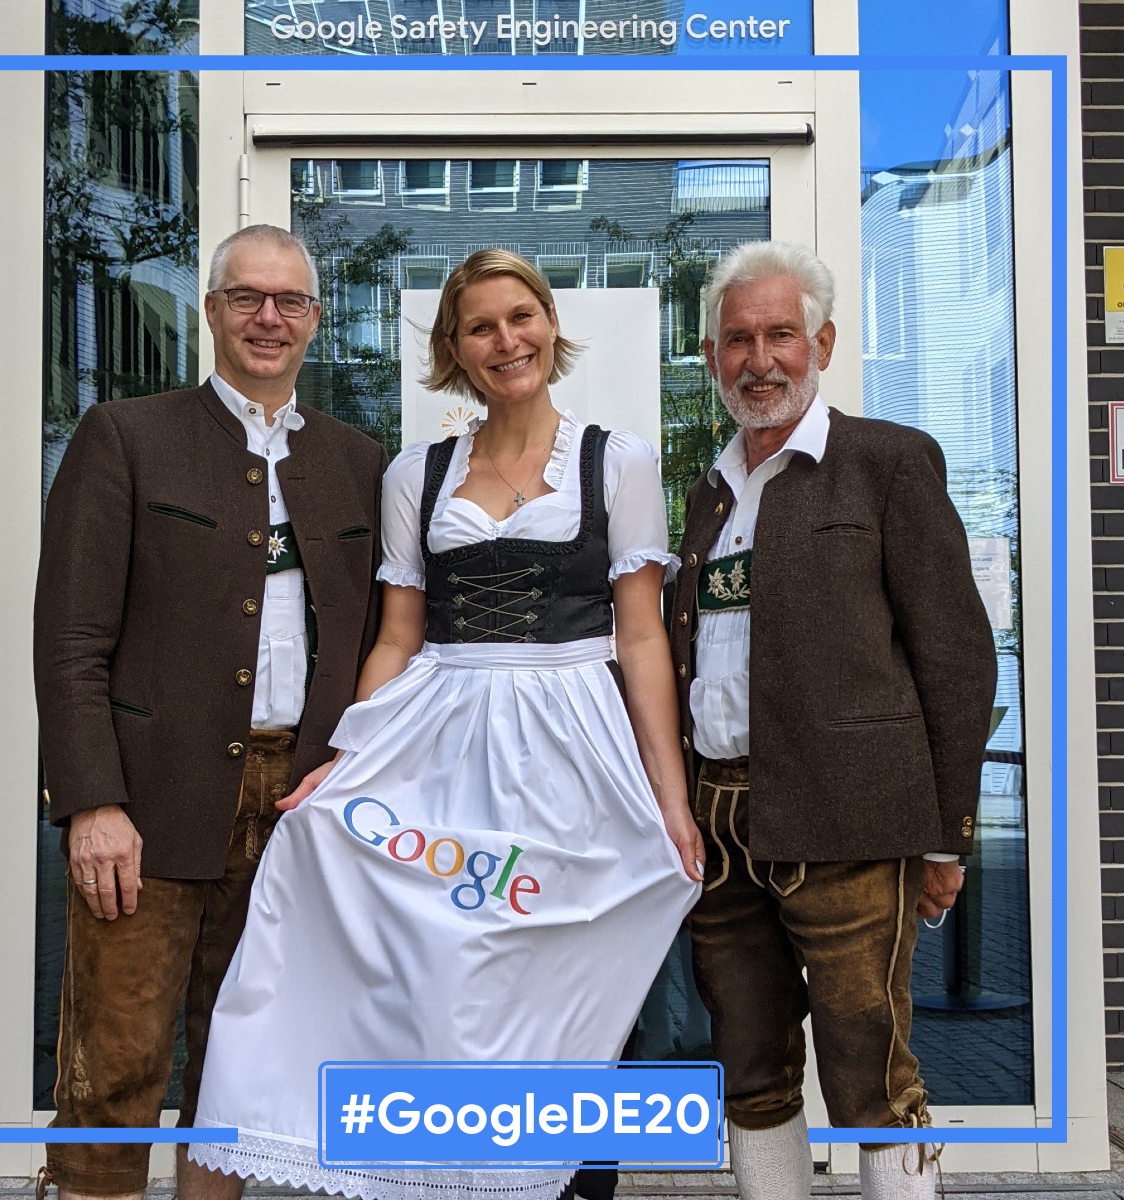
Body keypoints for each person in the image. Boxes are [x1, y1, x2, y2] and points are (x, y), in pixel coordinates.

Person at [186, 249, 703, 1199]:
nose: (506, 340)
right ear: (455, 351)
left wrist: (670, 800)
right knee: (442, 967)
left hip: (573, 737)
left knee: (559, 974)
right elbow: (397, 637)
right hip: (443, 730)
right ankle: (431, 1172)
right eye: (480, 327)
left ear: (550, 323)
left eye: (521, 316)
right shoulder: (414, 474)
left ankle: (558, 1181)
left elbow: (641, 638)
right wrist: (343, 761)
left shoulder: (617, 459)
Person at [33, 224, 386, 1200]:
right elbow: (69, 639)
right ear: (212, 311)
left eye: (290, 301)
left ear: (315, 320)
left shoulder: (359, 462)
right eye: (247, 298)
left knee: (240, 1074)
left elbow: (376, 642)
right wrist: (91, 802)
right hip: (148, 803)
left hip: (297, 808)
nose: (269, 318)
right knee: (115, 1068)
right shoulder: (126, 436)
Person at [668, 241, 997, 1200]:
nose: (758, 360)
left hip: (853, 818)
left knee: (870, 1072)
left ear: (823, 344)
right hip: (719, 821)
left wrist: (946, 834)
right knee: (749, 1063)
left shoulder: (889, 462)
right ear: (711, 355)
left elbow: (956, 659)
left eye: (781, 334)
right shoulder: (708, 491)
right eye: (738, 340)